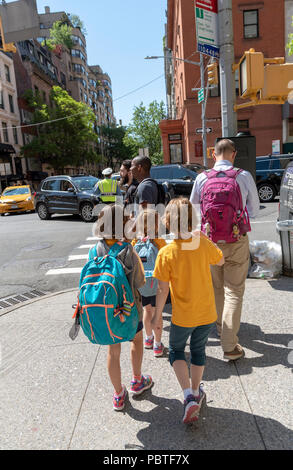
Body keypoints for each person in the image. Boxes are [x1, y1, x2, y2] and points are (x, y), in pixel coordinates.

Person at [151, 198, 224, 424]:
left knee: (176, 350)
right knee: (199, 350)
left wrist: (156, 317)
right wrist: (204, 237)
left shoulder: (166, 253)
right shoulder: (201, 242)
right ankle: (196, 390)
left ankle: (188, 396)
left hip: (183, 315)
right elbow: (220, 260)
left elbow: (162, 290)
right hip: (206, 312)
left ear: (168, 223)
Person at [190, 138, 260, 361]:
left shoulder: (201, 178)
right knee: (235, 290)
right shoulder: (243, 176)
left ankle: (221, 329)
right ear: (234, 154)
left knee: (217, 288)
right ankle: (229, 344)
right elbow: (255, 210)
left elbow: (194, 210)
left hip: (210, 241)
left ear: (213, 154)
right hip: (237, 238)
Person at [92, 204, 153, 411]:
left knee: (113, 350)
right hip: (129, 309)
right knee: (136, 340)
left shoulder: (95, 250)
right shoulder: (128, 249)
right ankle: (137, 380)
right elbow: (140, 281)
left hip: (108, 311)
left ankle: (118, 394)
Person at [131, 208, 167, 357]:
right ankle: (158, 345)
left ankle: (148, 339)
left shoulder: (135, 240)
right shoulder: (159, 241)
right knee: (157, 312)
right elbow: (166, 258)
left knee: (146, 310)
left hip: (142, 282)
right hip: (157, 282)